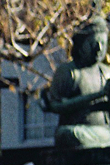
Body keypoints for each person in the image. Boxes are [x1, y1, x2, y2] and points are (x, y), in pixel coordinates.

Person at [41, 11, 110, 150]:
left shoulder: (106, 72)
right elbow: (56, 106)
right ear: (81, 44)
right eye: (93, 43)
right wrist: (99, 94)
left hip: (104, 131)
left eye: (103, 43)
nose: (99, 49)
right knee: (69, 134)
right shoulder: (69, 71)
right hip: (78, 130)